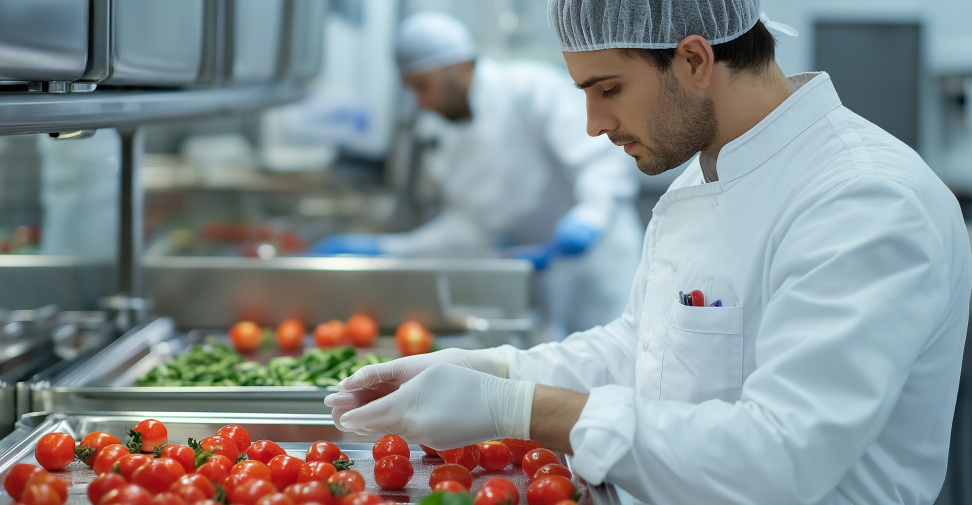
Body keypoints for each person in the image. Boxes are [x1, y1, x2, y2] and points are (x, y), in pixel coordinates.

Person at [325, 0, 972, 503]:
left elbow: (782, 459)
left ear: (694, 60)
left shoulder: (864, 200)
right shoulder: (706, 174)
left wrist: (521, 408)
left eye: (607, 89)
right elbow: (640, 350)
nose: (593, 125)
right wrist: (495, 367)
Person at [312, 11, 644, 335]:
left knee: (614, 368)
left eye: (422, 86)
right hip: (532, 273)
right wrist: (392, 250)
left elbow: (599, 161)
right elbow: (470, 227)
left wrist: (589, 219)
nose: (420, 103)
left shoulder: (530, 89)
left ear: (461, 67)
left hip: (597, 266)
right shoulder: (445, 131)